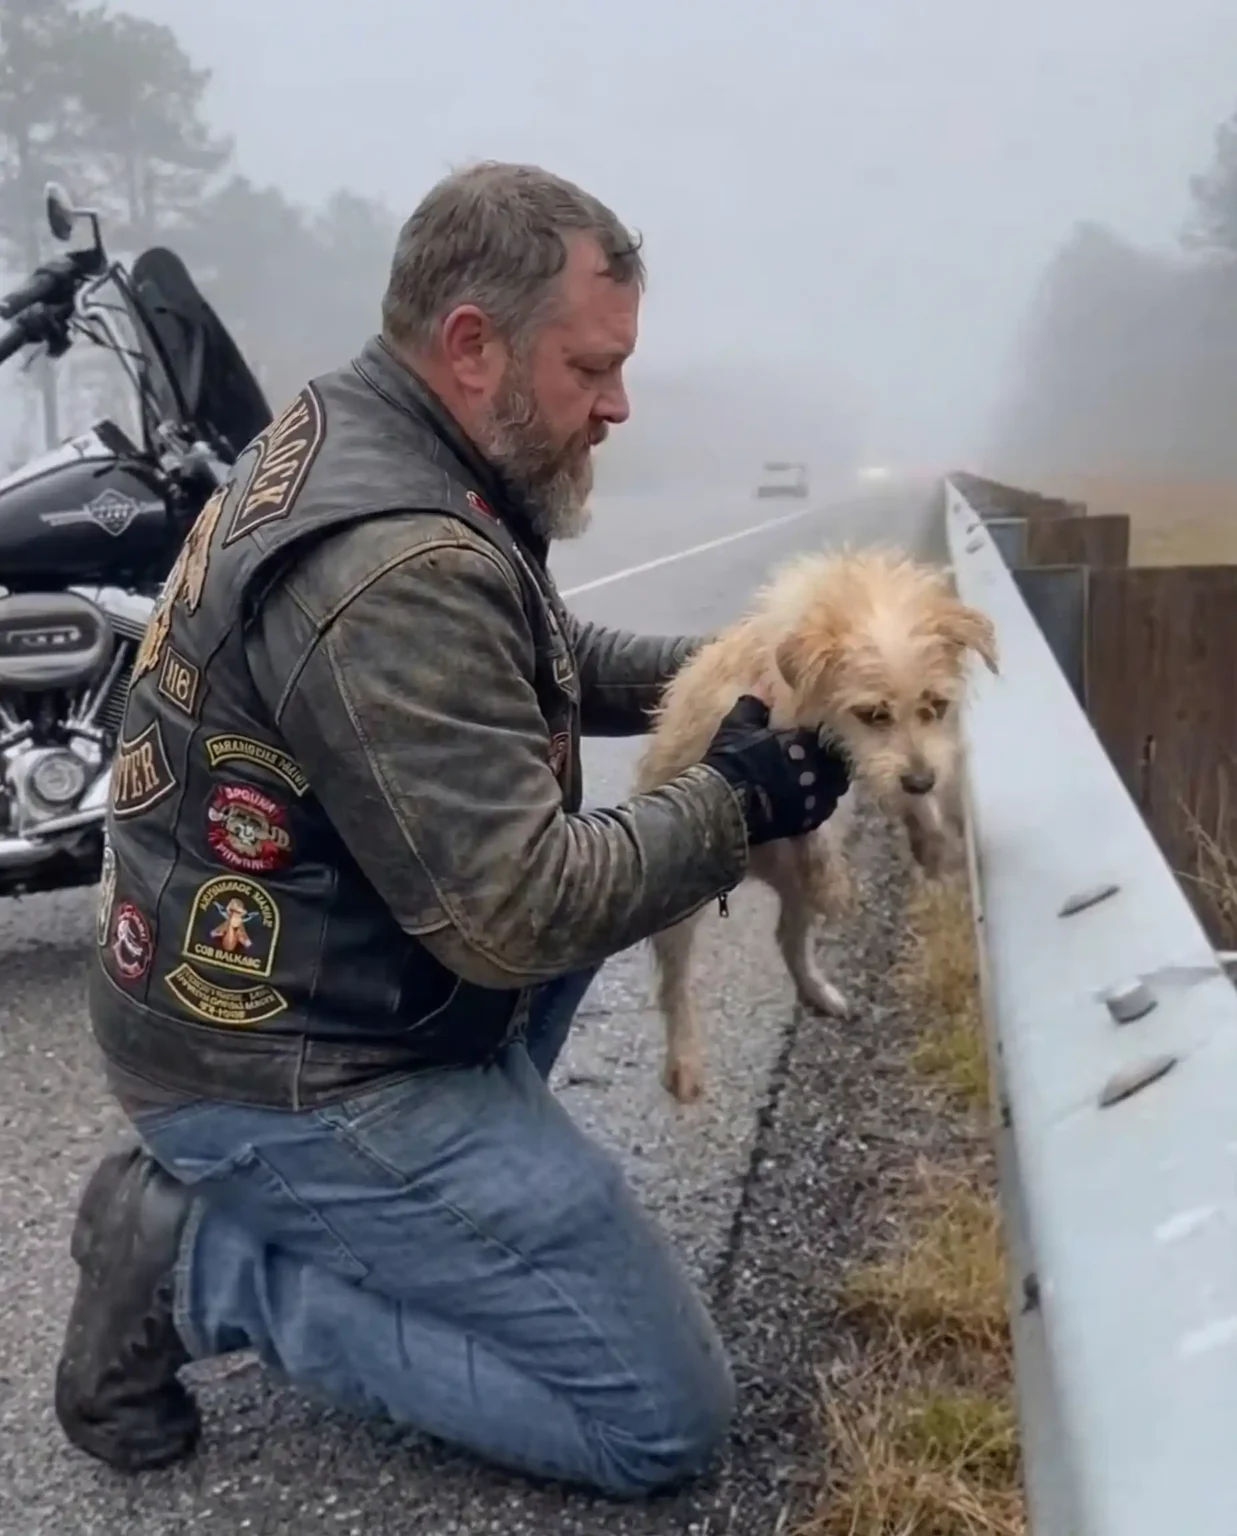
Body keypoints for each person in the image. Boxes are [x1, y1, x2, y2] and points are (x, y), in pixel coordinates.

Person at [55, 161, 852, 1499]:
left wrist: (741, 674)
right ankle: (197, 1259)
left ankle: (440, 1202)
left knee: (636, 842)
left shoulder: (371, 429)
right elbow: (516, 914)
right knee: (661, 1419)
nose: (619, 404)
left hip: (319, 989)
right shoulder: (390, 564)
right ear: (474, 344)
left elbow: (526, 658)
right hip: (301, 1065)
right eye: (592, 367)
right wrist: (740, 802)